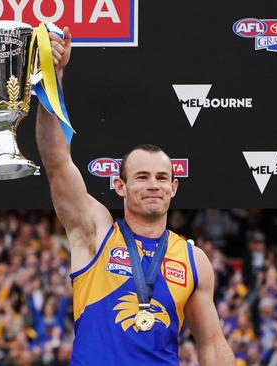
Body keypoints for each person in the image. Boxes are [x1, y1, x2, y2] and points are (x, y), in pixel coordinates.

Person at [36, 27, 235, 365]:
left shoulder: (192, 259)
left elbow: (212, 345)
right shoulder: (95, 232)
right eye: (141, 177)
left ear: (174, 187)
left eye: (162, 177)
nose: (153, 185)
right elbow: (57, 162)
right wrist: (53, 78)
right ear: (120, 186)